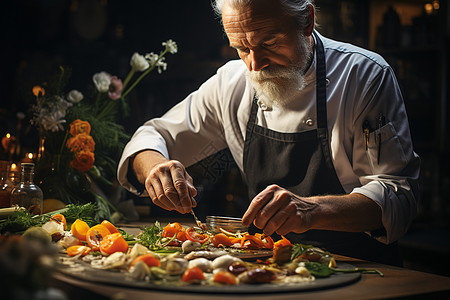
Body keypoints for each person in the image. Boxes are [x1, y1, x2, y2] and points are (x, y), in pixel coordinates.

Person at [117, 0, 420, 265]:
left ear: (307, 21)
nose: (255, 64)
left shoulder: (363, 75)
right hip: (268, 267)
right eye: (241, 48)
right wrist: (155, 169)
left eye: (269, 43)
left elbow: (398, 196)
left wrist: (312, 210)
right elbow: (152, 136)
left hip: (361, 270)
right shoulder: (232, 83)